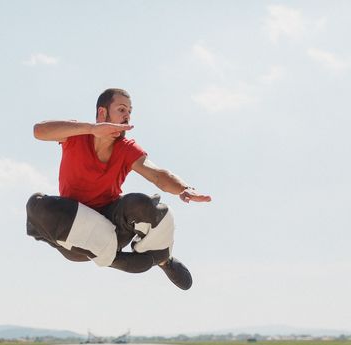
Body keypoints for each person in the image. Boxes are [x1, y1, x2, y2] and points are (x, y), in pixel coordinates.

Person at [25, 88, 211, 290]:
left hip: (112, 227)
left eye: (129, 112)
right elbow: (39, 131)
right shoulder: (76, 134)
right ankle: (112, 258)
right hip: (75, 234)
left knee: (140, 203)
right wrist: (91, 128)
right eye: (122, 110)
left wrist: (183, 189)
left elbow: (157, 174)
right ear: (102, 113)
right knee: (36, 204)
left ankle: (163, 259)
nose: (127, 116)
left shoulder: (126, 147)